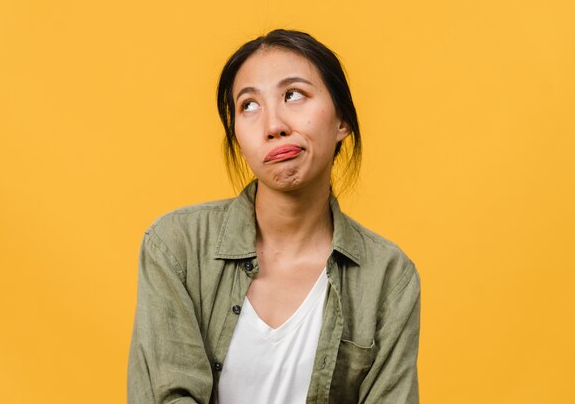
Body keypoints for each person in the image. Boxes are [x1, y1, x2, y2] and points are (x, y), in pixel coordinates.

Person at [127, 29, 421, 404]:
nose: (273, 125)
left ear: (342, 121)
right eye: (248, 105)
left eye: (293, 95)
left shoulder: (389, 277)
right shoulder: (176, 247)